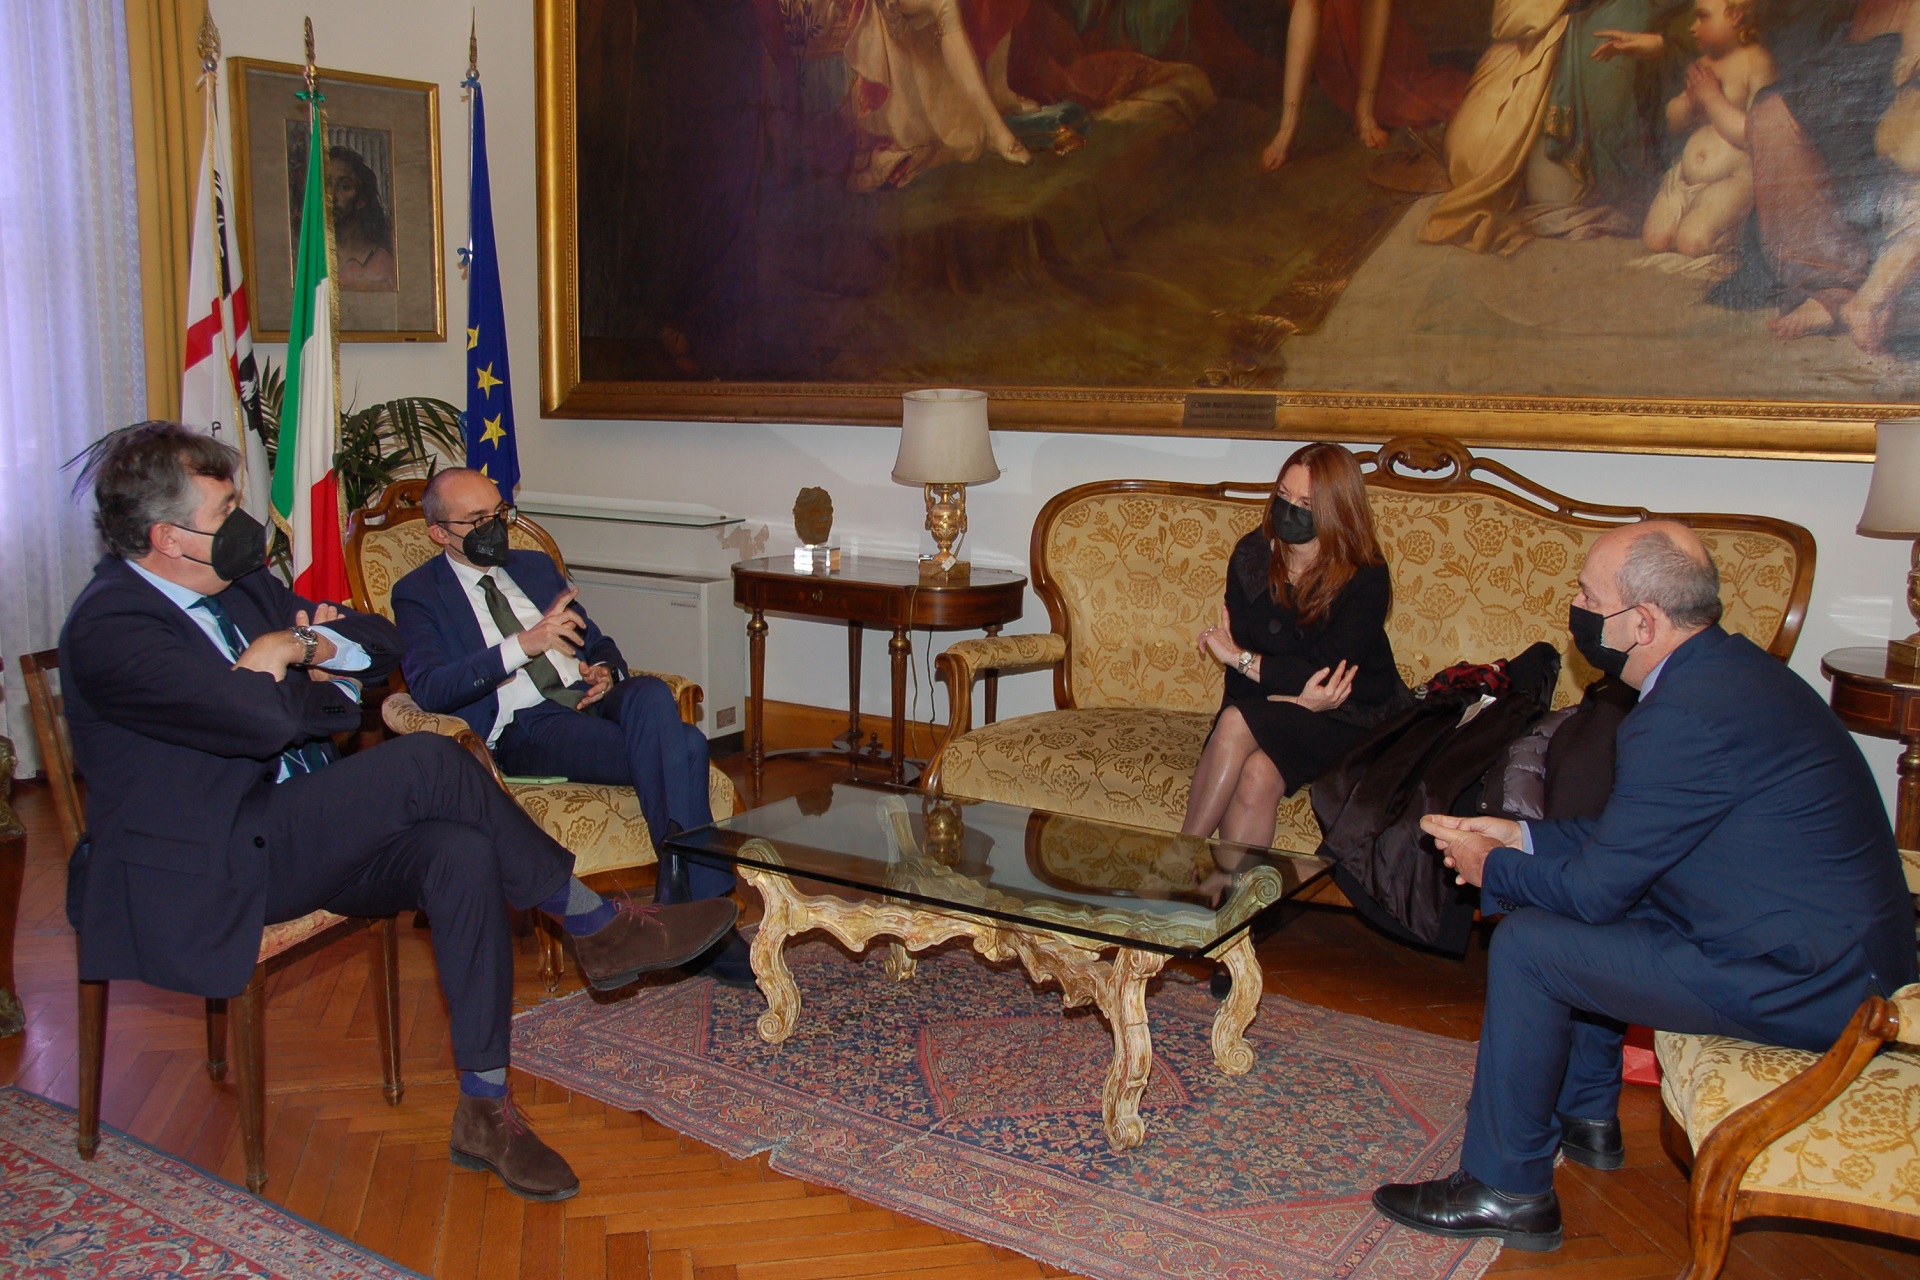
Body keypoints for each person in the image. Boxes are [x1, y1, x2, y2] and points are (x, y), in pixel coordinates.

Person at [62, 424, 738, 1203]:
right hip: (209, 861)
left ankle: (486, 1110)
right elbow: (264, 723)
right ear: (166, 537)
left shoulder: (239, 587)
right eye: (225, 512)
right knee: (428, 760)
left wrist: (298, 653)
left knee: (462, 853)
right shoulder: (113, 627)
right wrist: (296, 663)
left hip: (292, 823)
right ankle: (596, 925)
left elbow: (375, 647)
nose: (247, 526)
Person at [1373, 520, 1915, 1252]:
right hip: (1802, 939)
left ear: (1643, 622)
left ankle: (1506, 1191)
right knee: (1568, 919)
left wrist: (1491, 867)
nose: (1574, 606)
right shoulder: (1727, 673)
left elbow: (1597, 891)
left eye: (1588, 596)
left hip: (1811, 982)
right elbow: (1632, 839)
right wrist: (1518, 835)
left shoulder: (1680, 716)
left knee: (1531, 945)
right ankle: (1584, 1118)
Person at [391, 468, 752, 984]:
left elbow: (596, 639)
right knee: (688, 743)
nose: (496, 528)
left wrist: (604, 670)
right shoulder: (419, 594)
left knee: (649, 694)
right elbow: (430, 688)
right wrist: (525, 644)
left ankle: (678, 896)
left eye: (500, 513)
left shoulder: (534, 567)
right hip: (527, 725)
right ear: (439, 532)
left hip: (588, 699)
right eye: (477, 519)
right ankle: (708, 918)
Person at [1181, 442, 1409, 847]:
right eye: (1284, 495)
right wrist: (1295, 701)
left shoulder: (1366, 574)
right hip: (1282, 706)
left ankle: (1179, 857)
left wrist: (1238, 658)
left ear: (1336, 511)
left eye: (1306, 504)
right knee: (1256, 773)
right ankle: (1230, 888)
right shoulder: (1252, 556)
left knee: (1237, 722)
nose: (1289, 510)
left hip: (1351, 716)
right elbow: (1245, 681)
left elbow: (1322, 672)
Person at [1641, 0, 1774, 259]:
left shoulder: (1756, 62)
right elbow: (1674, 123)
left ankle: (1739, 238)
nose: (1693, 27)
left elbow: (1756, 135)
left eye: (1702, 17)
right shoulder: (1704, 63)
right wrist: (1689, 102)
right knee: (1654, 239)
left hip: (1733, 180)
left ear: (1736, 16)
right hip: (1685, 178)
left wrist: (1712, 98)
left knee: (1691, 243)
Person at [325, 146, 396, 292]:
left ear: (361, 200)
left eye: (344, 186)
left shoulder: (383, 266)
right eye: (326, 185)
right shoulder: (310, 259)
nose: (331, 196)